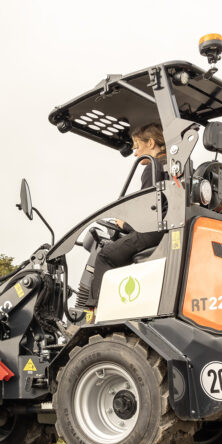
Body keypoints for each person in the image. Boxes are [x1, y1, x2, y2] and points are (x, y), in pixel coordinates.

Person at [83, 123, 168, 322]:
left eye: (137, 146)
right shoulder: (174, 164)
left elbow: (150, 210)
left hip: (153, 231)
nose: (135, 153)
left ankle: (94, 313)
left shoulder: (153, 167)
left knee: (105, 255)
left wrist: (125, 224)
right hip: (166, 230)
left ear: (151, 143)